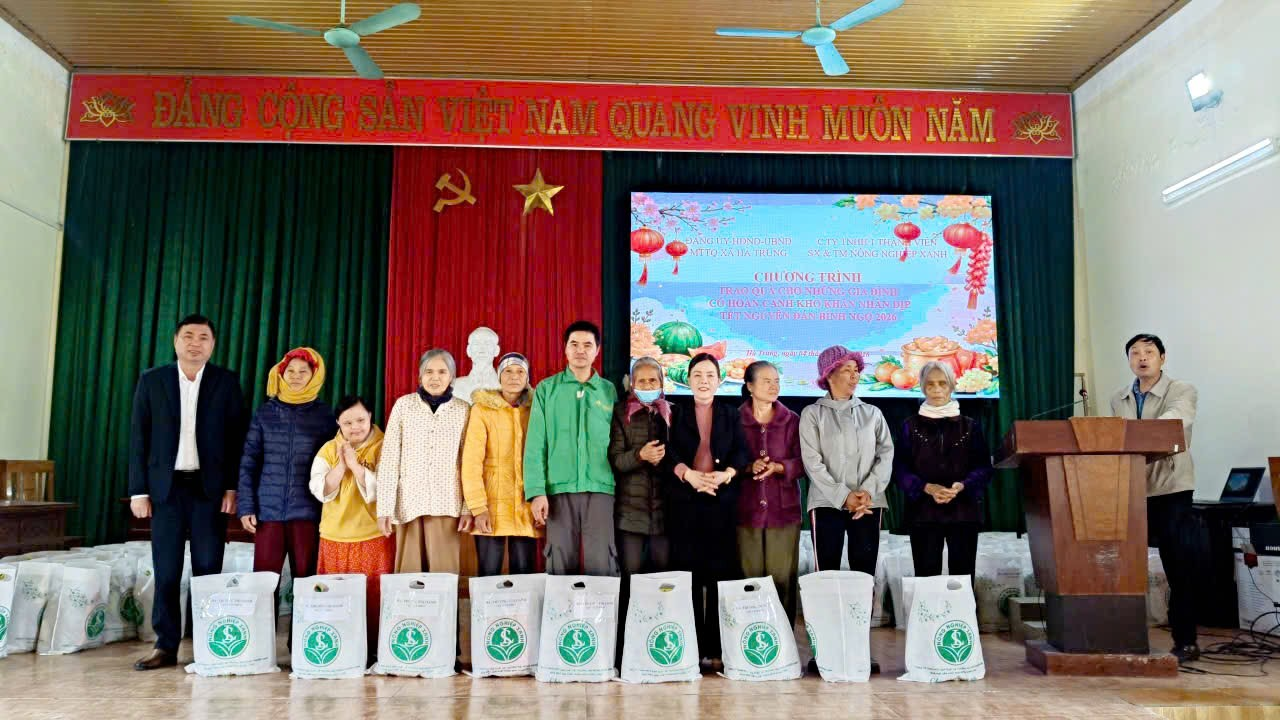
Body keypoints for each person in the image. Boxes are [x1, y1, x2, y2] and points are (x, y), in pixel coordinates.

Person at [128, 314, 246, 670]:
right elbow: (138, 437)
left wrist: (232, 487)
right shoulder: (153, 380)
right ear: (176, 341)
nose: (196, 343)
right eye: (189, 336)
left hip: (209, 491)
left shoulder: (226, 382)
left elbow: (236, 438)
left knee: (208, 568)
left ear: (213, 344)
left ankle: (208, 642)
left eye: (204, 337)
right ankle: (165, 646)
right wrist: (138, 491)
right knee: (166, 570)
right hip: (165, 490)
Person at [799, 345, 892, 673]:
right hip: (826, 504)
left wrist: (866, 493)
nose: (854, 376)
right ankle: (825, 652)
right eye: (847, 370)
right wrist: (843, 496)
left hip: (868, 504)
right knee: (826, 576)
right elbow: (812, 462)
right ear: (828, 375)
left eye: (856, 370)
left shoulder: (873, 413)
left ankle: (858, 650)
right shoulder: (812, 414)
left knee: (863, 577)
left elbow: (886, 454)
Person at [1110, 333, 1201, 663]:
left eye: (1149, 352)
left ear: (1162, 358)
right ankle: (1124, 635)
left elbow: (1175, 422)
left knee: (1178, 566)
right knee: (1123, 565)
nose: (1142, 358)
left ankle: (1186, 640)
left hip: (1171, 488)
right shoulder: (1118, 398)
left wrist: (1136, 436)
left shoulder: (1181, 390)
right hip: (1133, 488)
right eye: (1135, 353)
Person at [664, 353, 750, 667]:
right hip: (685, 503)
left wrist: (726, 474)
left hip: (720, 502)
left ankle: (714, 648)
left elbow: (741, 452)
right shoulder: (674, 412)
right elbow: (667, 452)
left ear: (720, 380)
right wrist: (688, 475)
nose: (703, 381)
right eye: (697, 375)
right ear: (687, 380)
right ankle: (689, 645)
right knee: (687, 574)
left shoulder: (730, 414)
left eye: (710, 375)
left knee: (718, 575)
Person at [237, 347, 335, 622]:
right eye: (290, 370)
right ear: (281, 373)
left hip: (308, 512)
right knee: (264, 584)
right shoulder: (265, 413)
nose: (296, 376)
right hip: (268, 514)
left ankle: (301, 642)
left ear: (315, 375)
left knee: (307, 583)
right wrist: (246, 506)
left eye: (303, 371)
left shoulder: (325, 416)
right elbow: (249, 461)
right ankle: (261, 641)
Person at [524, 321, 619, 576]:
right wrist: (536, 492)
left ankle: (602, 606)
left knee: (602, 563)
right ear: (565, 349)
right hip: (558, 490)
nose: (580, 350)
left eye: (587, 345)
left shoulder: (608, 391)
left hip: (600, 488)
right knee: (559, 564)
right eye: (574, 344)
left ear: (597, 350)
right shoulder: (547, 389)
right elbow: (535, 444)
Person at [892, 361, 993, 582]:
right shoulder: (910, 426)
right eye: (930, 384)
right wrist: (926, 487)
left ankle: (963, 608)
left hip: (963, 513)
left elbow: (984, 467)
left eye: (942, 383)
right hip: (923, 514)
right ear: (922, 387)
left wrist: (962, 485)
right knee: (926, 580)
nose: (936, 389)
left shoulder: (970, 426)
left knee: (963, 579)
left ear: (952, 386)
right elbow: (899, 469)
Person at [310, 394, 392, 661]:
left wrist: (356, 466)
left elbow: (385, 488)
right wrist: (342, 465)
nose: (355, 427)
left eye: (360, 420)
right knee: (337, 598)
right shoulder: (329, 449)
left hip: (373, 535)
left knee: (373, 597)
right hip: (334, 536)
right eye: (347, 423)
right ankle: (339, 650)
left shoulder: (385, 446)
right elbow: (319, 488)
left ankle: (374, 652)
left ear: (370, 417)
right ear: (338, 423)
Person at [377, 349, 473, 573]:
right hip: (409, 502)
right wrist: (384, 508)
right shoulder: (403, 406)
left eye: (442, 372)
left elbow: (469, 463)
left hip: (447, 503)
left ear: (452, 377)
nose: (435, 377)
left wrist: (468, 508)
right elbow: (389, 459)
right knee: (410, 576)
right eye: (429, 372)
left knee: (444, 573)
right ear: (420, 376)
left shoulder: (463, 410)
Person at [461, 352, 542, 576]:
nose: (514, 376)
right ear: (499, 376)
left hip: (526, 504)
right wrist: (478, 508)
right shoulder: (482, 410)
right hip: (491, 503)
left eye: (520, 371)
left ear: (527, 377)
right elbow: (471, 463)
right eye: (508, 371)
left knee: (524, 575)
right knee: (488, 575)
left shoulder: (537, 409)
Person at [737, 360, 803, 626]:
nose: (774, 386)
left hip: (783, 512)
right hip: (746, 511)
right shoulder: (735, 419)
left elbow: (804, 462)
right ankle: (749, 638)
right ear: (750, 386)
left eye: (776, 381)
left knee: (781, 579)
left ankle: (783, 640)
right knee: (748, 580)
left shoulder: (792, 420)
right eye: (766, 381)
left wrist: (780, 467)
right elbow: (727, 458)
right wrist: (747, 467)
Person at [609, 357, 672, 576]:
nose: (647, 385)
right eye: (641, 381)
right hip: (630, 515)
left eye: (653, 380)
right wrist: (640, 455)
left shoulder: (672, 413)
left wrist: (663, 460)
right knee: (630, 575)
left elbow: (680, 459)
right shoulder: (620, 413)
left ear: (662, 383)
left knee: (663, 579)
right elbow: (616, 461)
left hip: (665, 515)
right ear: (632, 384)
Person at [453, 326, 501, 404]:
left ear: (496, 350)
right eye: (476, 344)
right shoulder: (455, 386)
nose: (482, 349)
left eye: (487, 344)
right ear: (468, 350)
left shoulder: (505, 386)